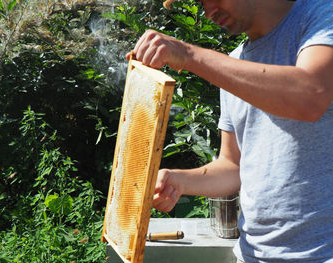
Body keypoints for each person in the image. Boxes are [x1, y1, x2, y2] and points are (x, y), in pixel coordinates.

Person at [127, 0, 333, 262]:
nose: (209, 11)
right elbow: (233, 166)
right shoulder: (234, 63)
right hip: (253, 255)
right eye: (201, 3)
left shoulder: (322, 14)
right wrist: (179, 180)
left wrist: (189, 55)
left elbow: (311, 96)